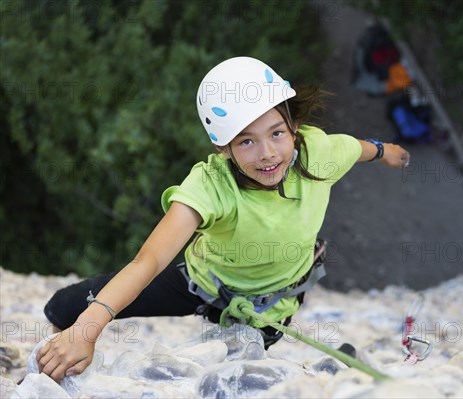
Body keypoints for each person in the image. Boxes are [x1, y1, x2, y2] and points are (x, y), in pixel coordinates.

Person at [36, 56, 410, 381]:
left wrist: (389, 152)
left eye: (277, 133)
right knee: (64, 307)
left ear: (293, 126)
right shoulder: (210, 185)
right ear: (222, 146)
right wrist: (85, 331)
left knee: (228, 380)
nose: (267, 154)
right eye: (246, 141)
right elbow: (149, 260)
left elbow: (362, 149)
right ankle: (60, 356)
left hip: (268, 307)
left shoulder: (319, 152)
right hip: (201, 281)